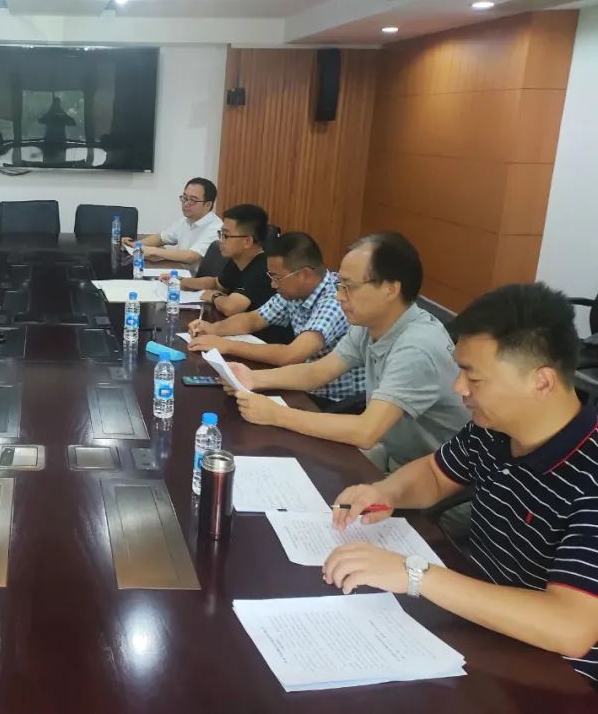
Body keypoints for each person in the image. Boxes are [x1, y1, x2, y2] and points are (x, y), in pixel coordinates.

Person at [323, 283, 598, 687]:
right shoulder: (494, 427)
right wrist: (386, 492)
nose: (458, 388)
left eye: (474, 376)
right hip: (482, 625)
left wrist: (415, 574)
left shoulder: (590, 472)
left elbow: (571, 628)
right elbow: (436, 474)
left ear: (541, 382)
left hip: (556, 678)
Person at [225, 232, 470, 470]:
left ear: (390, 289)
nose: (339, 296)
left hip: (434, 476)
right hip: (395, 454)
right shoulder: (371, 323)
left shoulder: (417, 348)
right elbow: (318, 372)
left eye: (348, 287)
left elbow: (366, 431)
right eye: (340, 285)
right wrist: (253, 378)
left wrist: (276, 415)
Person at [189, 232, 364, 407]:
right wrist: (213, 329)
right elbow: (253, 320)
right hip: (302, 383)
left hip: (332, 401)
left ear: (304, 274)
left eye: (277, 278)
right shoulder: (295, 292)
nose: (273, 285)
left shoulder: (334, 301)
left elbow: (291, 355)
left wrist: (227, 345)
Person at [169, 204, 274, 316]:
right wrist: (179, 281)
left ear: (247, 241)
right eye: (221, 234)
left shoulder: (264, 268)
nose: (221, 240)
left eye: (226, 235)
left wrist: (214, 296)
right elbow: (215, 283)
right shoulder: (239, 260)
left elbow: (230, 307)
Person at [120, 177, 222, 269]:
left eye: (192, 200)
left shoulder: (215, 228)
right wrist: (134, 245)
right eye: (184, 198)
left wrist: (154, 251)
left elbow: (191, 256)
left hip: (197, 279)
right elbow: (161, 238)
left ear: (208, 205)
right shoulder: (187, 220)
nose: (186, 203)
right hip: (180, 271)